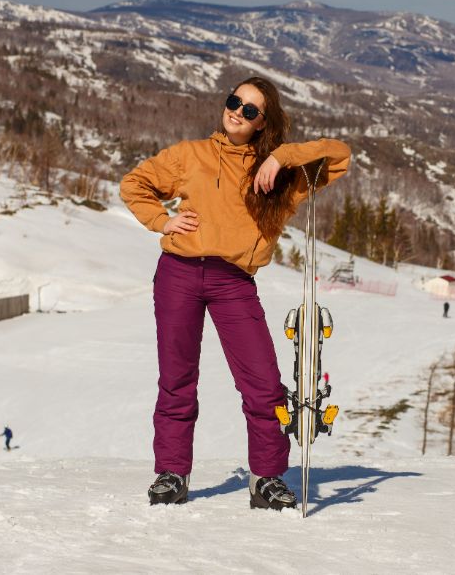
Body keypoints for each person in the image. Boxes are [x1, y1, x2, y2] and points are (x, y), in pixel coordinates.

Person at [120, 76, 350, 510]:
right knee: (177, 380)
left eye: (250, 110)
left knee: (263, 387)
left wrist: (281, 156)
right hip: (179, 274)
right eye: (233, 102)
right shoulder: (191, 155)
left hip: (234, 284)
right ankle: (172, 473)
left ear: (264, 122)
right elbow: (135, 184)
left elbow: (339, 156)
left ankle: (266, 478)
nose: (236, 112)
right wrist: (161, 220)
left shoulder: (287, 178)